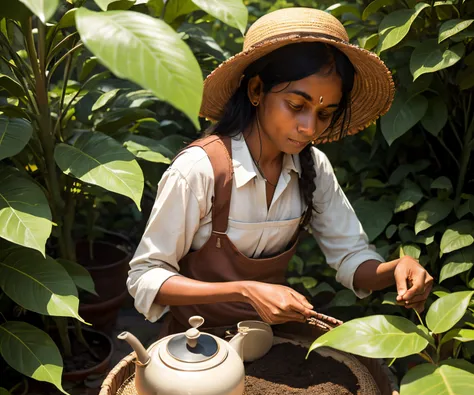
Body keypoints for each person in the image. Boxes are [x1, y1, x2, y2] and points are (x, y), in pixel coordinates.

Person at [127, 8, 434, 337]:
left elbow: (351, 258)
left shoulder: (313, 167)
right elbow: (145, 277)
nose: (309, 128)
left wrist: (396, 270)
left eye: (325, 113)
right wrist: (244, 290)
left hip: (271, 343)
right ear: (257, 90)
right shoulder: (200, 170)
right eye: (296, 106)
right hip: (196, 349)